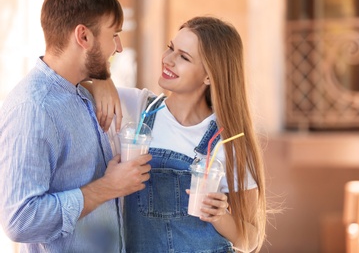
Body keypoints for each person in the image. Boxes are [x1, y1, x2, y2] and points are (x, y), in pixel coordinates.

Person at [96, 16, 267, 252]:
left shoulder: (230, 141)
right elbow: (72, 83)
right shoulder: (137, 109)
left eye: (184, 57)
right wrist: (102, 81)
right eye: (170, 48)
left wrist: (220, 217)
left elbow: (250, 240)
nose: (168, 60)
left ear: (209, 76)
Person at [0, 0, 151, 252]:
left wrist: (104, 79)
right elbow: (20, 220)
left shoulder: (81, 92)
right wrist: (107, 187)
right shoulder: (33, 108)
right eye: (114, 34)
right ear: (83, 37)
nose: (119, 46)